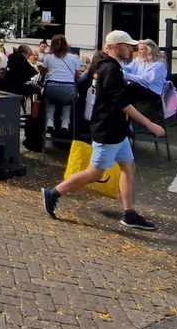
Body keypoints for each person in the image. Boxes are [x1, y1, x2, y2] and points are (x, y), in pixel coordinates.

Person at [42, 30, 166, 231]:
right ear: (117, 47)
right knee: (94, 172)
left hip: (115, 128)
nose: (131, 49)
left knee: (129, 166)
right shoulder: (110, 70)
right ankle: (53, 193)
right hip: (108, 129)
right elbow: (121, 102)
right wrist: (149, 124)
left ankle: (130, 213)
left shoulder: (106, 67)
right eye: (127, 46)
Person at [39, 34, 82, 133]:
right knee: (67, 100)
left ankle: (50, 121)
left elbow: (42, 72)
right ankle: (65, 123)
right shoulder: (74, 57)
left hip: (51, 89)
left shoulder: (49, 57)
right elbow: (77, 76)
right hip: (69, 90)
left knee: (51, 98)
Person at [124, 39, 168, 106]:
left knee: (133, 87)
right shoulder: (138, 60)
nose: (139, 52)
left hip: (154, 92)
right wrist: (118, 62)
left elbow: (146, 80)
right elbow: (127, 69)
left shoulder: (159, 65)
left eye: (141, 49)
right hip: (142, 89)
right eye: (139, 49)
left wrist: (126, 76)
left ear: (149, 51)